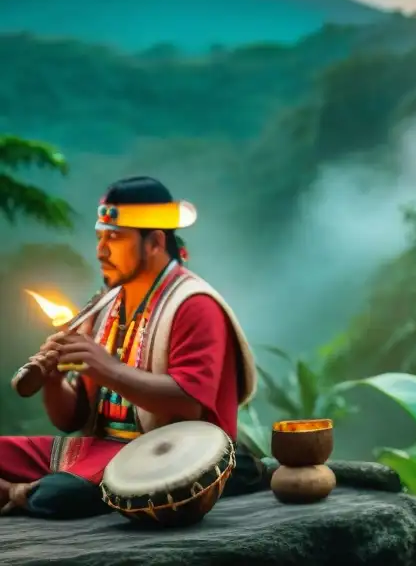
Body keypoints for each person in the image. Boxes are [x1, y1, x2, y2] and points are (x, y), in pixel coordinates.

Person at [0, 176, 258, 518]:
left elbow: (189, 405)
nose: (100, 250)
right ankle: (19, 493)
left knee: (57, 496)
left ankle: (17, 494)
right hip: (98, 450)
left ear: (154, 242)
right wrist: (52, 378)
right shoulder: (104, 306)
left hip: (169, 452)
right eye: (100, 237)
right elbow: (71, 419)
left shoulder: (195, 305)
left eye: (115, 237)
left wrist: (108, 369)